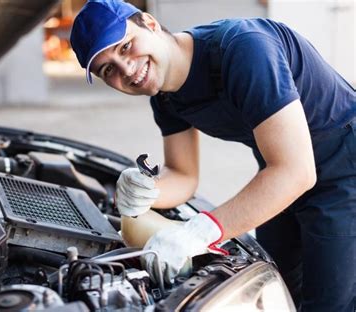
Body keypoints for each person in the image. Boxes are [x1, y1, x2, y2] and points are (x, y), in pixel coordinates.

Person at [69, 1, 356, 311]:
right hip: (279, 173)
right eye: (108, 69)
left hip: (343, 171)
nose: (126, 70)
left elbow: (296, 173)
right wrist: (146, 191)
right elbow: (183, 174)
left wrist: (197, 233)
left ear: (150, 24)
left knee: (330, 303)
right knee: (274, 287)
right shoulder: (165, 97)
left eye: (125, 47)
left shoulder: (244, 50)